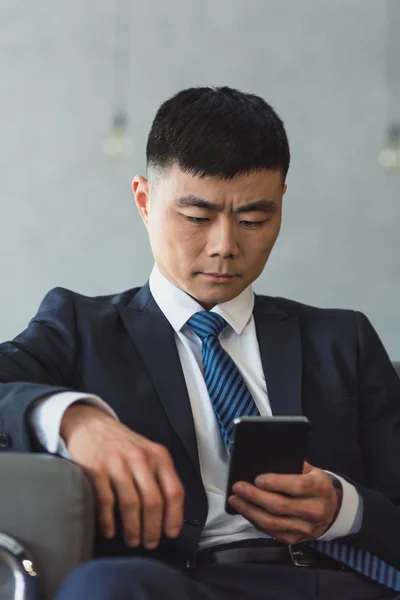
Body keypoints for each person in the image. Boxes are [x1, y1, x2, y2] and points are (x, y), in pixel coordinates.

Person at [0, 86, 399, 600]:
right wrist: (76, 419)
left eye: (254, 220)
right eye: (196, 218)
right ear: (144, 201)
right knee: (105, 586)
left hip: (332, 582)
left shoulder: (344, 339)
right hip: (175, 583)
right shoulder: (80, 327)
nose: (225, 246)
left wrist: (344, 508)